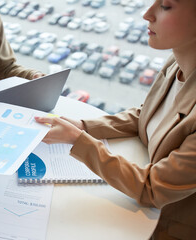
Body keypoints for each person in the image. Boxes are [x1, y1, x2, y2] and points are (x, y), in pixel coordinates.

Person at [35, 0, 196, 239]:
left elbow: (152, 188)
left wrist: (79, 140)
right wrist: (84, 126)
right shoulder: (176, 62)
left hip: (167, 227)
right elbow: (146, 115)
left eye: (165, 6)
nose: (147, 14)